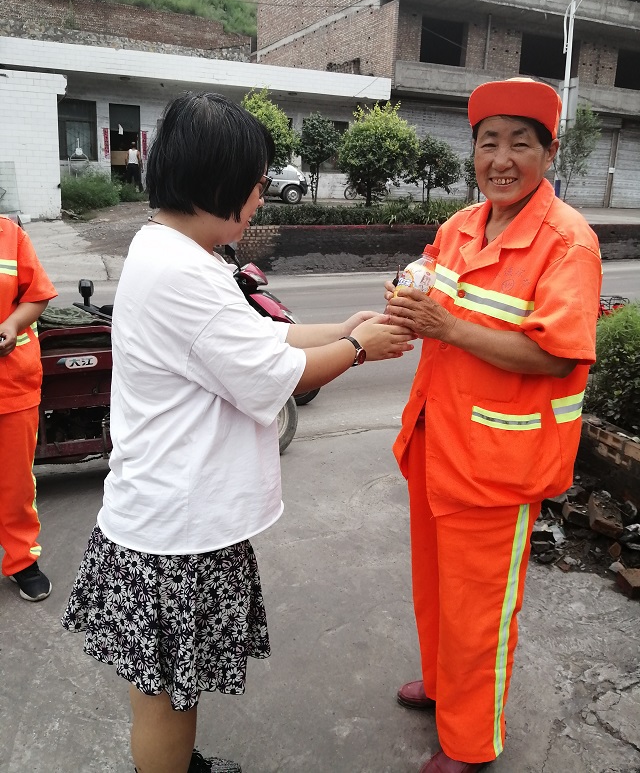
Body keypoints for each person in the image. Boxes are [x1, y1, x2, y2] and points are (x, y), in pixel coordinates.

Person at [61, 92, 413, 773]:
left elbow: (258, 335)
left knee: (167, 684)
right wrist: (363, 348)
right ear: (220, 181)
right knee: (166, 694)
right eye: (256, 185)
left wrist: (344, 328)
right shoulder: (182, 270)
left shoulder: (170, 246)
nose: (260, 200)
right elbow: (273, 375)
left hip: (162, 515)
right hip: (173, 529)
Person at [385, 78, 602, 773]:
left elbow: (554, 352)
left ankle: (472, 743)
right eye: (488, 143)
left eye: (520, 143)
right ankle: (447, 688)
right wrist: (410, 285)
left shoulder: (569, 243)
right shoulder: (463, 226)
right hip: (435, 439)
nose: (500, 159)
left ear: (549, 150)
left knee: (482, 610)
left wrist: (448, 324)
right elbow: (434, 276)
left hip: (498, 462)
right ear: (472, 152)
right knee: (437, 589)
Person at [0, 214, 57, 601]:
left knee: (16, 482)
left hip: (10, 384)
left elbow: (36, 294)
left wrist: (12, 324)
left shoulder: (9, 235)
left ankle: (22, 560)